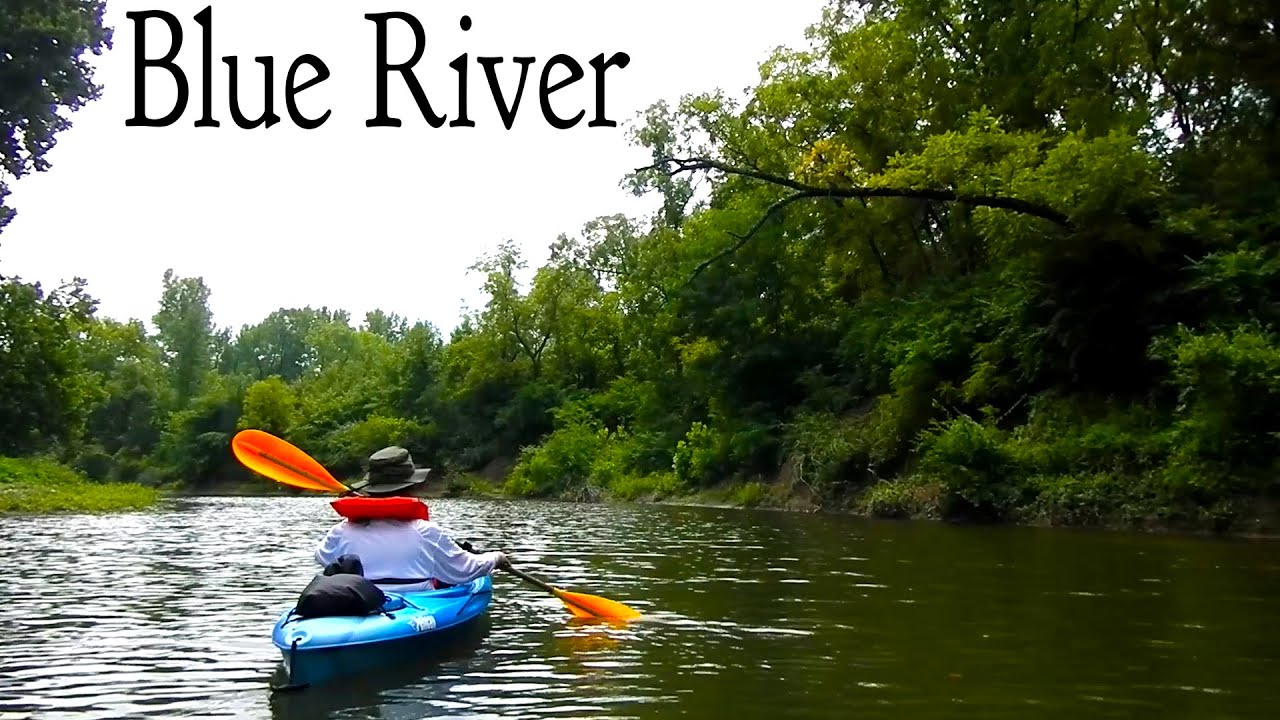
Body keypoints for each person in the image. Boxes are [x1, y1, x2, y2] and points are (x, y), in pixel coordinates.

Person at [314, 445, 510, 594]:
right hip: (414, 604)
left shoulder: (342, 530)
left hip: (359, 598)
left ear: (370, 489)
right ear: (411, 487)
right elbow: (465, 570)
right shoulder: (427, 532)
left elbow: (322, 557)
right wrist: (495, 558)